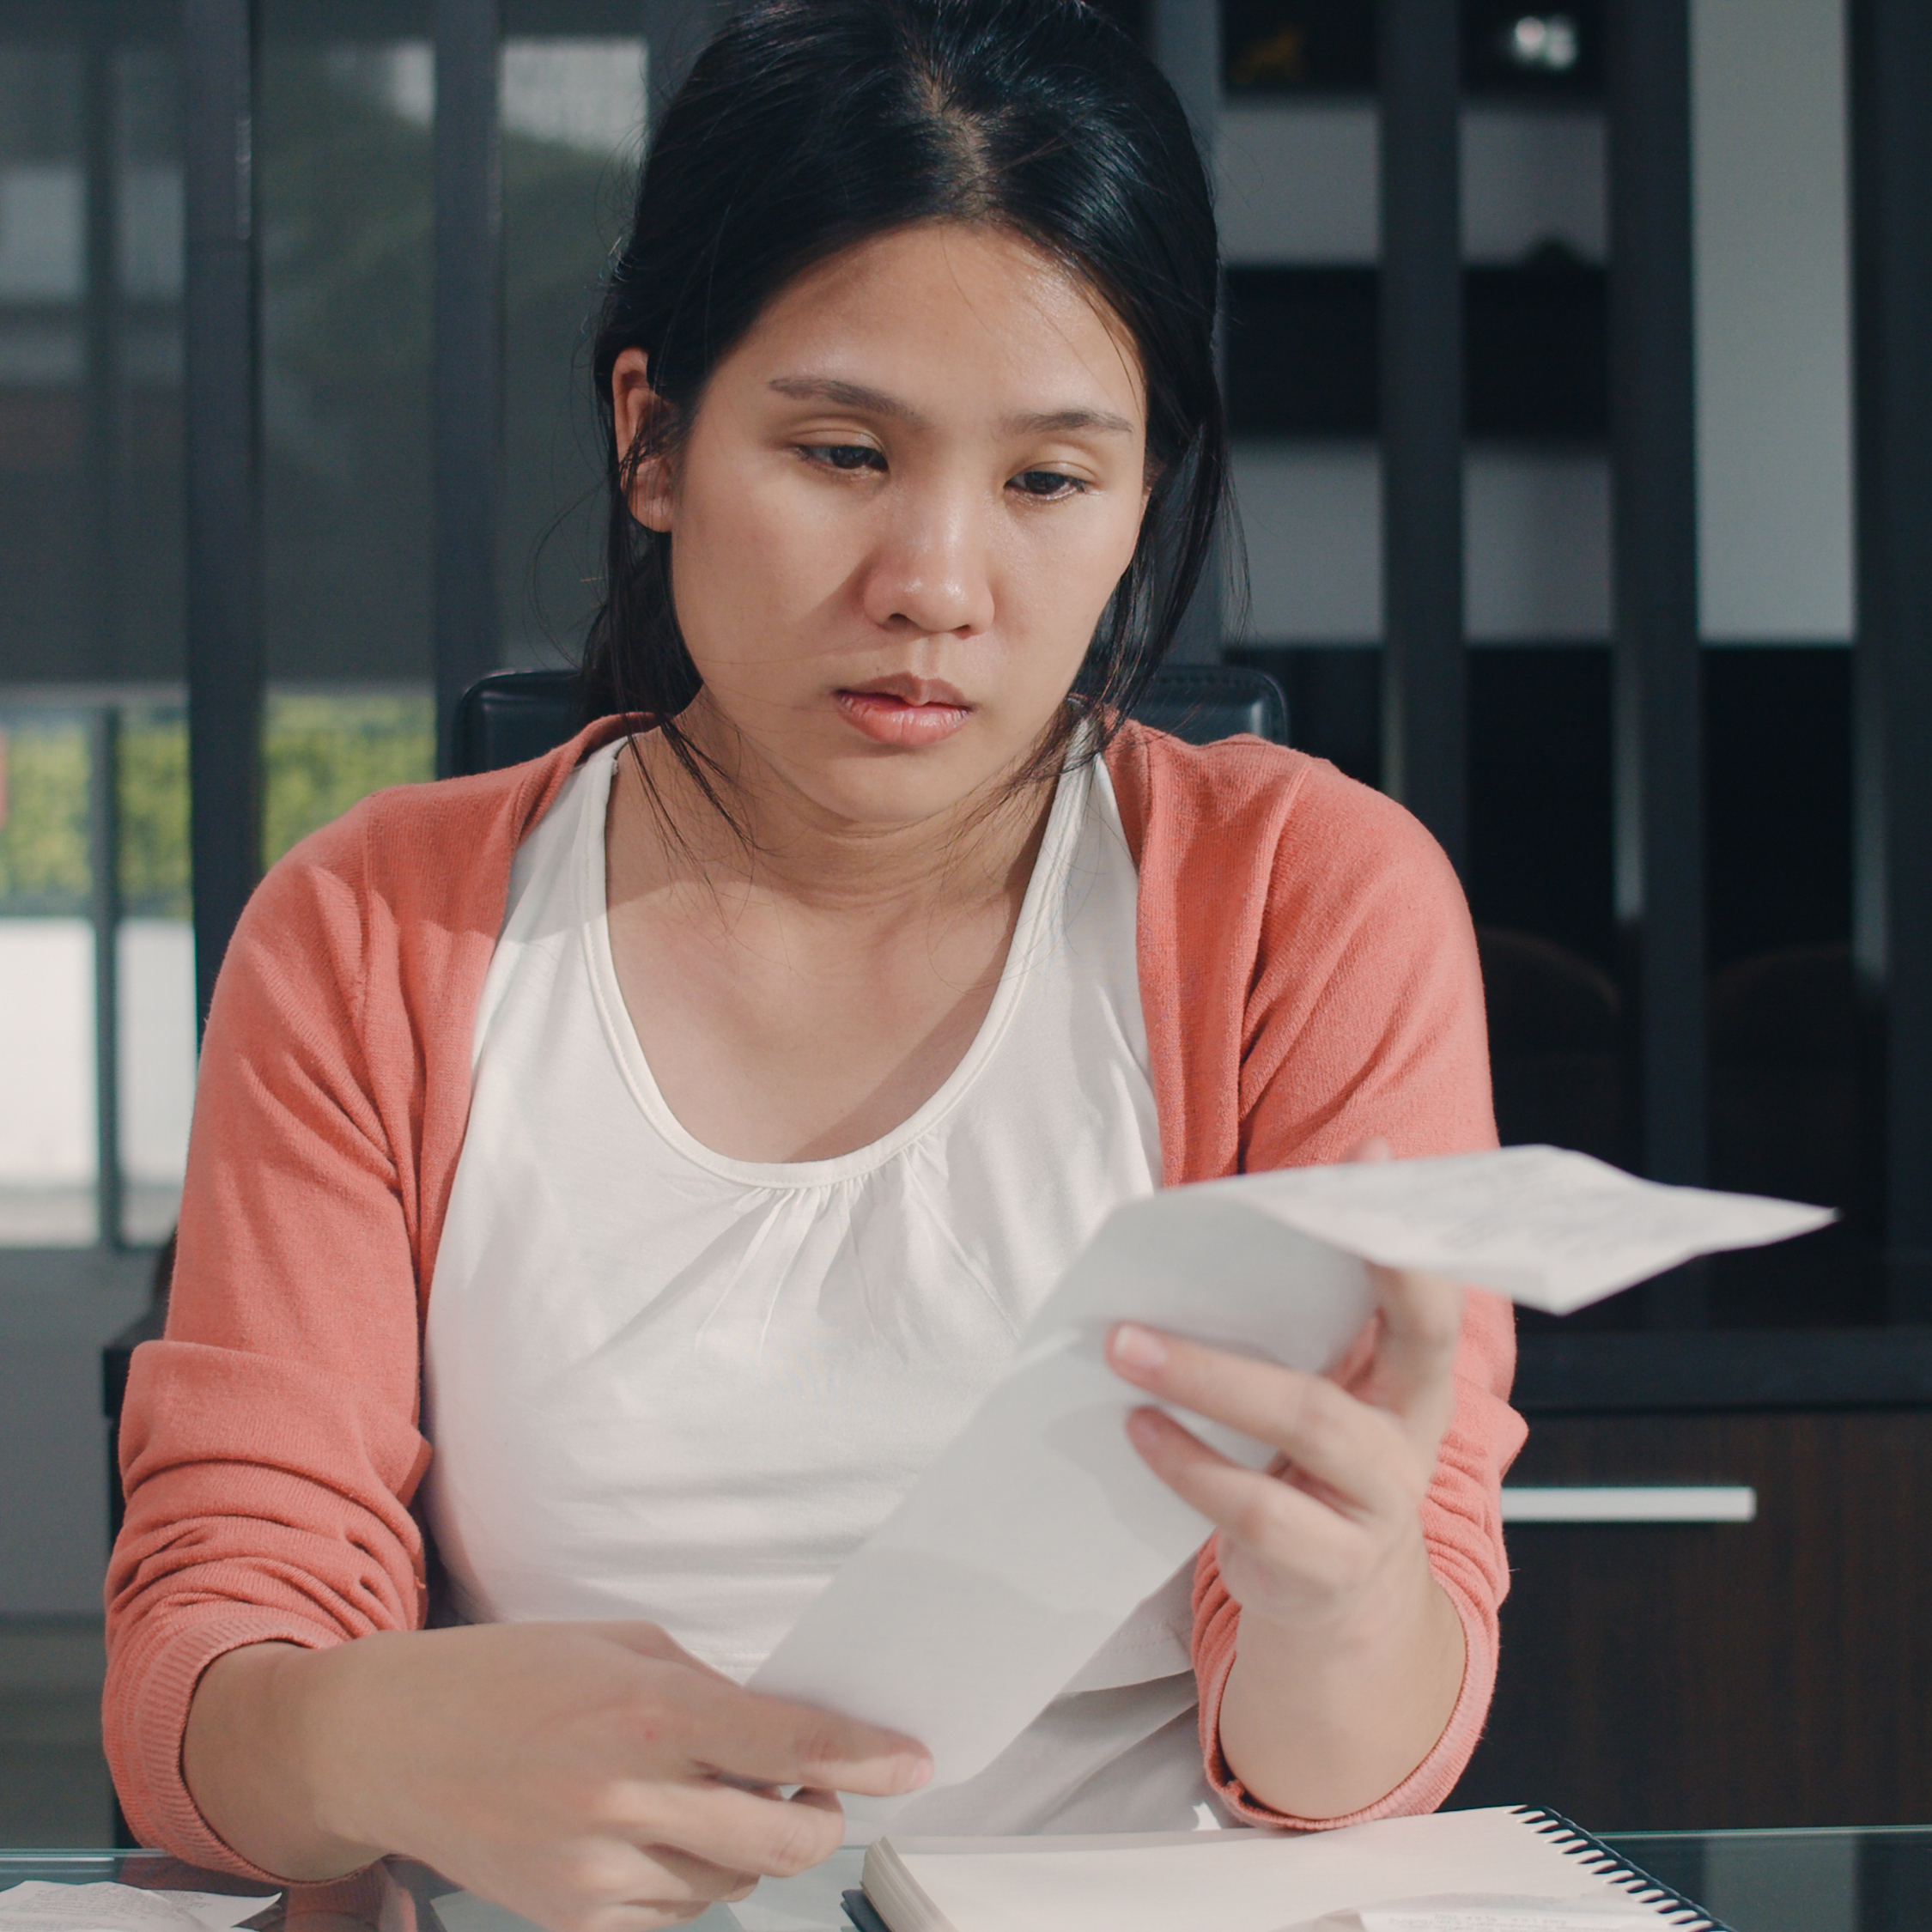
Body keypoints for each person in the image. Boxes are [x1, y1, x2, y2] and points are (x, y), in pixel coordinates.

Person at [105, 3, 1524, 1927]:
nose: (934, 583)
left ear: (1140, 498)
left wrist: (1340, 1600)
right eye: (843, 452)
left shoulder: (1305, 905)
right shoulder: (371, 929)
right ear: (651, 437)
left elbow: (1344, 1771)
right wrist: (367, 1742)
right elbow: (209, 1664)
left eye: (1049, 481)